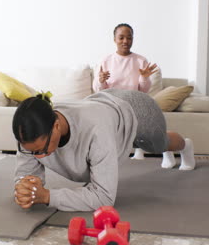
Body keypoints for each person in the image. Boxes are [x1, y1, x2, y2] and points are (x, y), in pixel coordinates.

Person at [12, 89, 195, 212]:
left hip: (136, 108)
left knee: (159, 144)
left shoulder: (97, 131)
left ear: (57, 126)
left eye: (42, 150)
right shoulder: (29, 135)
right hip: (103, 106)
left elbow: (104, 198)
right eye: (32, 152)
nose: (40, 157)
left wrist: (48, 196)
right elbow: (25, 176)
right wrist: (24, 186)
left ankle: (185, 146)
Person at [92, 23, 175, 166]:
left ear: (133, 39)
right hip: (113, 104)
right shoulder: (105, 60)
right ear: (114, 39)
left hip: (134, 102)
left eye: (129, 38)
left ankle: (166, 150)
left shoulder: (140, 60)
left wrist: (144, 78)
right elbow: (99, 91)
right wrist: (100, 80)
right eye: (121, 37)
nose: (125, 41)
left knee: (150, 130)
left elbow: (144, 90)